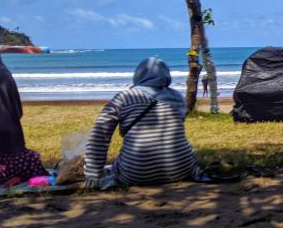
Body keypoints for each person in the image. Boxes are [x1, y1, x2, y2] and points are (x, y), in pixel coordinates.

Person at [84, 57, 200, 187]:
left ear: (138, 75)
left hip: (136, 174)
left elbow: (99, 135)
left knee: (117, 166)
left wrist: (92, 172)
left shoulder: (124, 98)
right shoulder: (177, 97)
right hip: (181, 170)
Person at [0, 43, 48, 186]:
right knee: (32, 159)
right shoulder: (3, 74)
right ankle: (13, 176)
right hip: (6, 152)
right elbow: (17, 110)